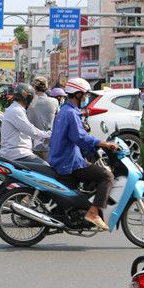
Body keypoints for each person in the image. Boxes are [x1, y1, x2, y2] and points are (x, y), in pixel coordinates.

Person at [48, 77, 119, 231]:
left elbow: (76, 137)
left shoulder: (66, 111)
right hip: (69, 162)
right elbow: (79, 137)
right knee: (107, 176)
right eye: (85, 95)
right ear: (78, 94)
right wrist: (104, 144)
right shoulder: (71, 113)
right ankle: (93, 213)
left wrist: (93, 148)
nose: (86, 98)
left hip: (61, 157)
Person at [0, 84, 52, 164]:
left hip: (17, 152)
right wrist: (49, 134)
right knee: (46, 167)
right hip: (18, 154)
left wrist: (44, 137)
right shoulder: (16, 110)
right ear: (27, 98)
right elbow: (31, 131)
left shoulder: (16, 109)